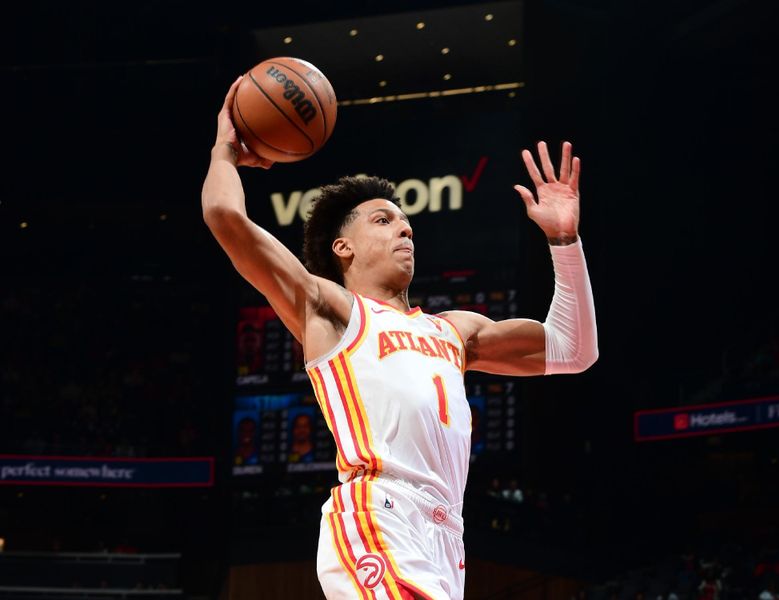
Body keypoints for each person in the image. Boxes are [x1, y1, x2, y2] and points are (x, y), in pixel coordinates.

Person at [202, 77, 598, 600]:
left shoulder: (455, 331)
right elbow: (225, 217)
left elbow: (573, 350)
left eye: (407, 223)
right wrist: (224, 153)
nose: (406, 230)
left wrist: (564, 240)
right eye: (384, 220)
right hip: (375, 514)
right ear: (343, 246)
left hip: (445, 537)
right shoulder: (330, 309)